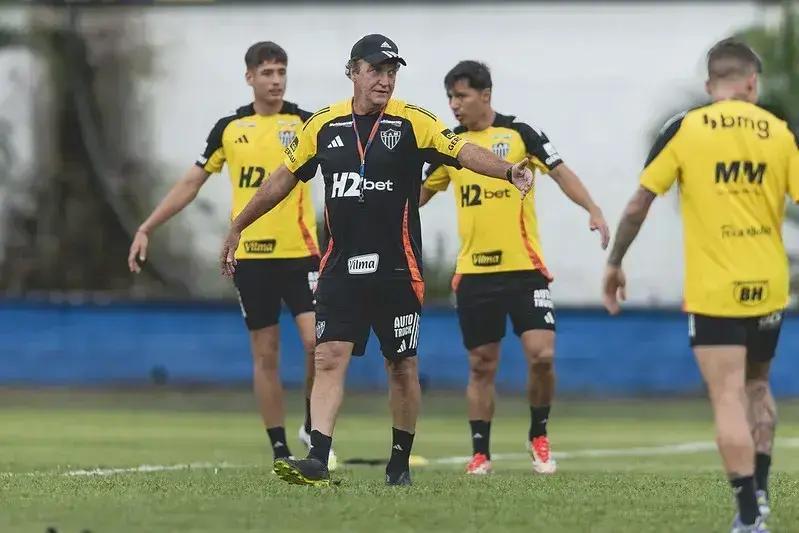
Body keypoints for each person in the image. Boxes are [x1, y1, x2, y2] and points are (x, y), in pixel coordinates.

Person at [219, 34, 535, 487]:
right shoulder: (323, 125)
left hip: (397, 269)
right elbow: (282, 179)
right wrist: (239, 225)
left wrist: (508, 170)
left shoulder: (413, 122)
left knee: (401, 365)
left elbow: (462, 152)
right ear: (353, 72)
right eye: (375, 70)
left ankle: (399, 463)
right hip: (339, 266)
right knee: (328, 356)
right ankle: (317, 457)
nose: (385, 80)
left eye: (391, 72)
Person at [602, 38, 797, 533]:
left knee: (728, 396)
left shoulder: (686, 128)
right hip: (768, 286)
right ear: (751, 82)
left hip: (716, 289)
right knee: (757, 385)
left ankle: (748, 517)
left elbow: (638, 205)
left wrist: (615, 261)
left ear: (711, 85)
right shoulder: (778, 132)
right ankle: (762, 495)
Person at [127, 41, 338, 469]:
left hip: (301, 255)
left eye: (281, 72)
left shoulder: (306, 123)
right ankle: (280, 448)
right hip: (252, 259)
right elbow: (191, 183)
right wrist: (147, 227)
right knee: (266, 354)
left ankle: (310, 424)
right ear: (249, 78)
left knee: (317, 343)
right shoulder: (229, 128)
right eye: (267, 73)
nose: (276, 80)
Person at [421, 61, 609, 475]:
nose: (454, 104)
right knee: (481, 364)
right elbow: (417, 195)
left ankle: (538, 434)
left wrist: (593, 208)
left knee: (542, 356)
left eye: (461, 96)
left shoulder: (520, 133)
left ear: (485, 95)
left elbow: (561, 173)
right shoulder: (449, 145)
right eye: (450, 97)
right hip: (474, 274)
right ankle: (480, 453)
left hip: (525, 270)